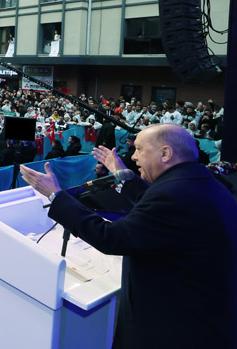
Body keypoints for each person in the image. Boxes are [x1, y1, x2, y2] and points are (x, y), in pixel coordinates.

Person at [20, 124, 237, 348]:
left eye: (139, 149)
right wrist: (124, 176)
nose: (133, 156)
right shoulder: (202, 183)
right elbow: (155, 204)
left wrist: (55, 196)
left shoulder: (173, 195)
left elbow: (111, 237)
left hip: (173, 328)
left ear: (165, 153)